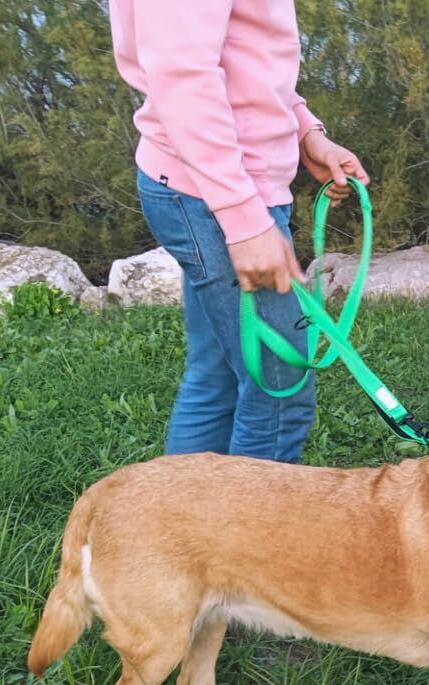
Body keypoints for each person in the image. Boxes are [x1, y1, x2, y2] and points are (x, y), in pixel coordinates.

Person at [108, 1, 370, 462]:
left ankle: (177, 529)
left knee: (219, 377)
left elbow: (245, 52)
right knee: (279, 390)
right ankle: (244, 535)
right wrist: (244, 221)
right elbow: (181, 76)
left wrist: (305, 130)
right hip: (215, 195)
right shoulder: (234, 207)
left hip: (216, 188)